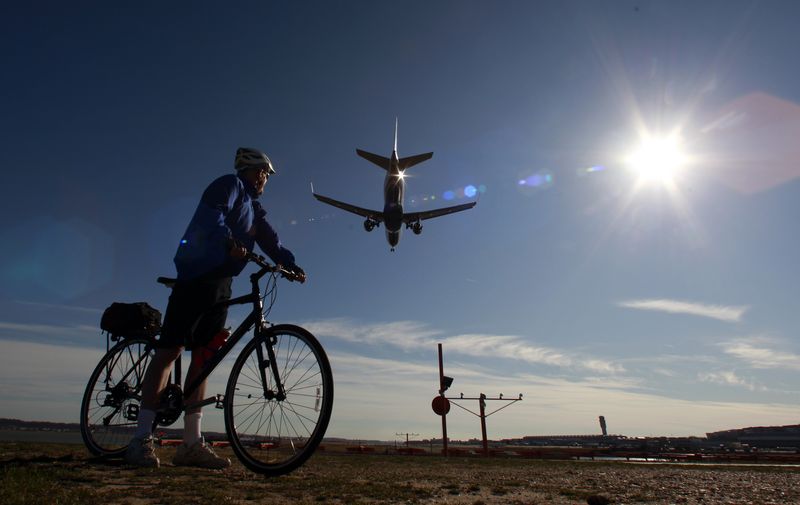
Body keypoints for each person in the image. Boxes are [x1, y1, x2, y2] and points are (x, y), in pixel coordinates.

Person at [124, 147, 305, 468]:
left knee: (205, 355)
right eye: (262, 171)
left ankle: (190, 444)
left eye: (267, 174)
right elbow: (212, 214)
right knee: (170, 350)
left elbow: (270, 240)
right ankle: (140, 439)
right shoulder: (229, 186)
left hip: (222, 280)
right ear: (247, 169)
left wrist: (289, 264)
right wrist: (227, 240)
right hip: (196, 274)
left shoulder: (255, 208)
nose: (265, 178)